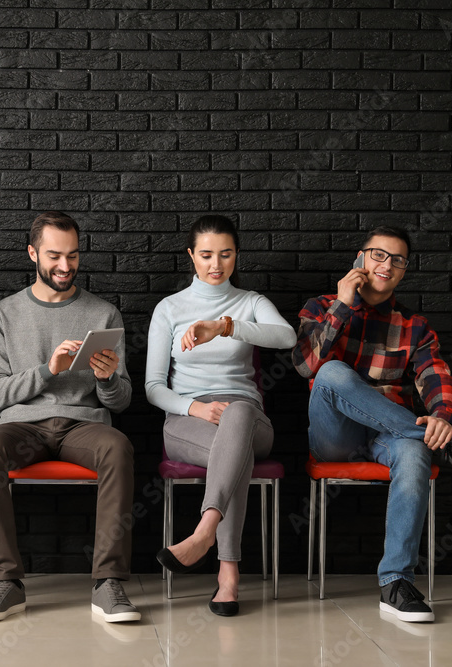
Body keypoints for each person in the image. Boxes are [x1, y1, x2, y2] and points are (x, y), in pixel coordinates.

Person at [292, 225, 452, 623]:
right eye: (378, 254)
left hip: (388, 434)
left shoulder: (416, 326)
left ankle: (395, 584)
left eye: (397, 259)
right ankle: (446, 447)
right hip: (334, 434)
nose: (386, 264)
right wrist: (342, 305)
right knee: (333, 372)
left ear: (405, 270)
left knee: (413, 452)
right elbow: (306, 365)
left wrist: (443, 417)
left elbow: (435, 375)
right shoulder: (320, 306)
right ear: (360, 257)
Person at [0, 211, 139, 623]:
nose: (65, 266)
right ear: (32, 253)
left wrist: (106, 378)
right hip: (21, 426)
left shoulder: (104, 314)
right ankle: (6, 584)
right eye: (54, 256)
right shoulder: (4, 314)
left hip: (84, 427)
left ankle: (108, 584)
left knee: (119, 447)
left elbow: (120, 402)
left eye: (74, 256)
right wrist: (49, 370)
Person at [146, 215, 297, 617]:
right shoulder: (169, 309)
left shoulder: (250, 302)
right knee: (235, 453)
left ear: (236, 255)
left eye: (226, 254)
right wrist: (195, 407)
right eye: (207, 255)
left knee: (240, 414)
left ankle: (203, 531)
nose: (217, 264)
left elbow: (287, 337)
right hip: (186, 420)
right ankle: (227, 574)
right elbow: (153, 386)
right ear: (191, 256)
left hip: (248, 417)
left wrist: (227, 328)